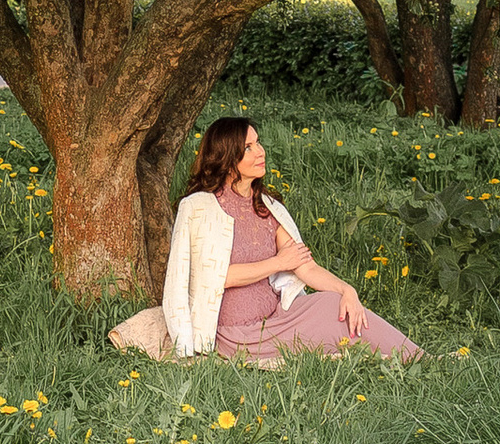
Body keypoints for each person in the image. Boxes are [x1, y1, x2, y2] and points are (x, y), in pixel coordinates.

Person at [160, 117, 422, 364]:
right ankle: (403, 358)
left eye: (258, 142)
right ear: (227, 160)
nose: (260, 152)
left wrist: (346, 290)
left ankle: (419, 358)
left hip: (278, 316)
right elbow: (214, 277)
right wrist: (277, 263)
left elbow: (303, 266)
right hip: (238, 335)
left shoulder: (268, 207)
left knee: (335, 303)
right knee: (334, 330)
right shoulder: (198, 207)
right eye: (248, 148)